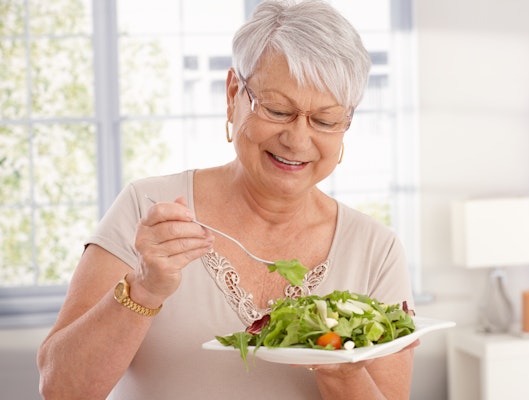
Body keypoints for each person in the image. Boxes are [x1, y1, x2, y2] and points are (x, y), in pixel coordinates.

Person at [37, 1, 416, 399]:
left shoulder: (377, 250)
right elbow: (59, 388)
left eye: (325, 120)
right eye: (278, 109)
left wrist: (340, 367)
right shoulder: (147, 208)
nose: (298, 140)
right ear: (234, 92)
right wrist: (144, 289)